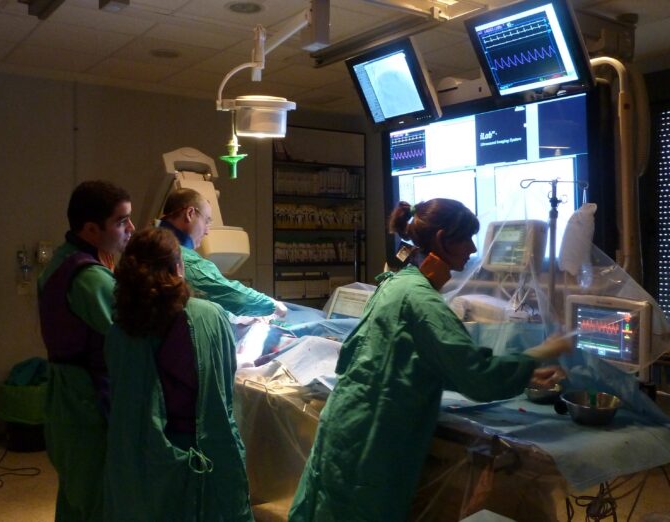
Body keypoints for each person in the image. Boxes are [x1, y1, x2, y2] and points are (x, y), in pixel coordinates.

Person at [288, 199, 571, 522]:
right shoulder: (422, 302)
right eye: (466, 238)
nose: (472, 248)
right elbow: (477, 376)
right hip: (374, 441)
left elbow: (419, 358)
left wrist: (525, 375)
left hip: (347, 426)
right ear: (441, 239)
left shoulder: (397, 284)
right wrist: (541, 352)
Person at [103, 227, 253, 521]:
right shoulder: (210, 317)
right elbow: (224, 391)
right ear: (178, 268)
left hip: (142, 461)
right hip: (207, 453)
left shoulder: (120, 332)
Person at [37, 180, 134, 522]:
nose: (131, 229)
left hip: (66, 402)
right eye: (121, 221)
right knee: (97, 501)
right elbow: (131, 338)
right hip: (88, 404)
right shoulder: (91, 278)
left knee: (75, 497)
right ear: (91, 229)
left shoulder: (62, 260)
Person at [159, 187, 288, 318]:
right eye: (206, 221)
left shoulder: (152, 244)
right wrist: (272, 305)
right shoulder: (183, 261)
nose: (207, 231)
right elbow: (234, 297)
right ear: (190, 214)